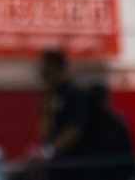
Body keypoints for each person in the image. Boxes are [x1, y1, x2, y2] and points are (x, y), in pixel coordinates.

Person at [39, 50, 88, 180]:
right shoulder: (50, 95)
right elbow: (45, 128)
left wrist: (49, 151)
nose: (46, 76)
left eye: (50, 71)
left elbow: (75, 129)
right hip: (54, 167)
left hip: (73, 166)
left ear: (59, 69)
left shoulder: (74, 94)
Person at [83, 83, 135, 180]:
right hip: (116, 174)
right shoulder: (116, 123)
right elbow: (128, 152)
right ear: (105, 99)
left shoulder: (83, 125)